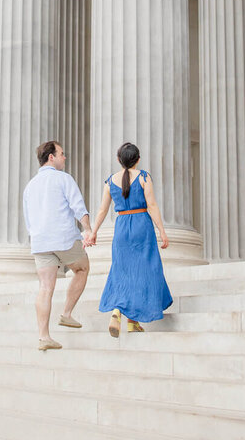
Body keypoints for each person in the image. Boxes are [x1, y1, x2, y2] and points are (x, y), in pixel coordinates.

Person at [85, 142, 172, 337]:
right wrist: (162, 231)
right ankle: (125, 312)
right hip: (142, 225)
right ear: (138, 159)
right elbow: (152, 205)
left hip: (122, 226)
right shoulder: (143, 177)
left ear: (118, 160)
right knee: (146, 270)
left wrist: (94, 232)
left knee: (123, 270)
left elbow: (102, 209)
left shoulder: (109, 181)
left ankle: (127, 318)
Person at [22, 140, 92, 352]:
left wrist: (36, 236)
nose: (64, 157)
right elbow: (78, 206)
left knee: (45, 288)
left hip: (40, 241)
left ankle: (44, 337)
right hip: (63, 238)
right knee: (82, 268)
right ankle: (67, 314)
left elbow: (28, 218)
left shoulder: (30, 186)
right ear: (51, 157)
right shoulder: (63, 178)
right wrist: (87, 230)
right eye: (62, 153)